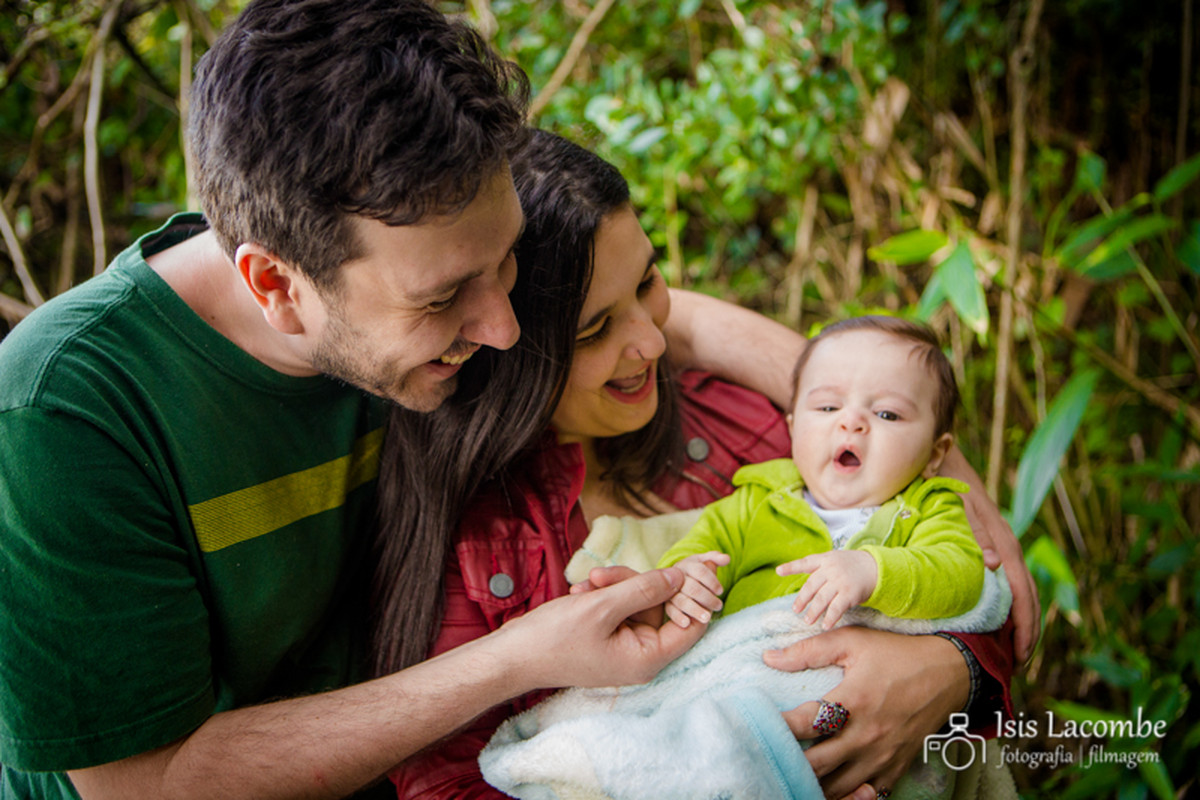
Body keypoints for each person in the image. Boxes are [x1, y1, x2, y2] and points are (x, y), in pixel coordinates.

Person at [0, 3, 787, 798]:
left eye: (506, 261)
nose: (503, 330)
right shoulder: (65, 412)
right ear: (276, 285)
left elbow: (630, 310)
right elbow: (145, 784)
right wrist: (518, 657)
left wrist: (850, 406)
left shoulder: (415, 298)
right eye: (443, 297)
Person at [377, 130, 1029, 800]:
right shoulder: (473, 540)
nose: (653, 341)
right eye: (596, 330)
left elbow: (973, 586)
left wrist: (949, 673)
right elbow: (447, 780)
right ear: (503, 346)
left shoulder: (743, 420)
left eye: (649, 282)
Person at [662, 315, 985, 634]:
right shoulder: (757, 499)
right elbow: (700, 546)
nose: (851, 422)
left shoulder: (928, 507)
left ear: (935, 454)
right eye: (828, 407)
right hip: (750, 654)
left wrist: (874, 572)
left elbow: (961, 576)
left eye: (887, 414)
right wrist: (688, 576)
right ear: (793, 429)